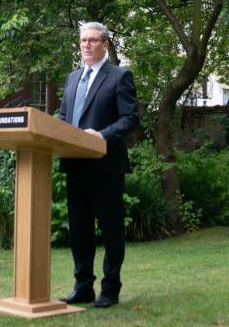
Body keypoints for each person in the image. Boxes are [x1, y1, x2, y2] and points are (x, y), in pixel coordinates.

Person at [55, 21, 139, 308]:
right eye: (83, 41)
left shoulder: (119, 76)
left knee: (111, 230)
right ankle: (83, 287)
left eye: (92, 40)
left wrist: (100, 135)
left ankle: (111, 289)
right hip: (75, 165)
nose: (86, 45)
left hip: (106, 166)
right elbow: (64, 119)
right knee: (79, 231)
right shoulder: (71, 78)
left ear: (105, 44)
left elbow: (130, 119)